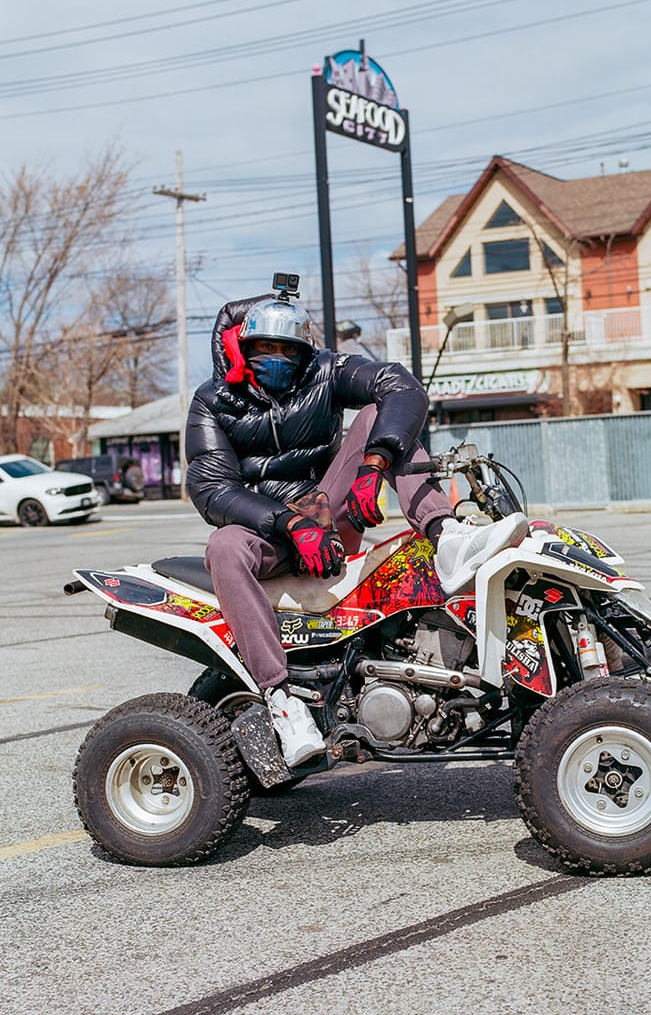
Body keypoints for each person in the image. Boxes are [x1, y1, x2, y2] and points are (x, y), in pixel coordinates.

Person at [185, 286, 528, 767]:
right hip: (269, 531)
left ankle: (446, 536)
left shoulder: (325, 371)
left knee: (379, 415)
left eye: (289, 349)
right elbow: (212, 489)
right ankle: (282, 701)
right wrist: (288, 522)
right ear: (242, 347)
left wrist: (374, 463)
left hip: (328, 517)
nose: (279, 357)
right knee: (223, 547)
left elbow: (402, 386)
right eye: (267, 347)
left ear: (305, 352)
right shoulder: (211, 401)